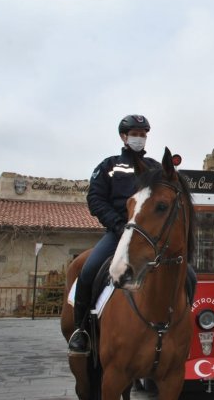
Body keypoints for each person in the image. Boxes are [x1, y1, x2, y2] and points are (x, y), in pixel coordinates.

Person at [67, 114, 160, 355]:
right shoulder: (108, 166)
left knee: (188, 273)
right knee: (88, 271)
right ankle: (81, 329)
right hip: (118, 233)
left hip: (150, 237)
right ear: (123, 136)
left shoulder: (155, 168)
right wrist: (118, 224)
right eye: (135, 134)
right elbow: (95, 200)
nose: (139, 139)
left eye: (143, 134)